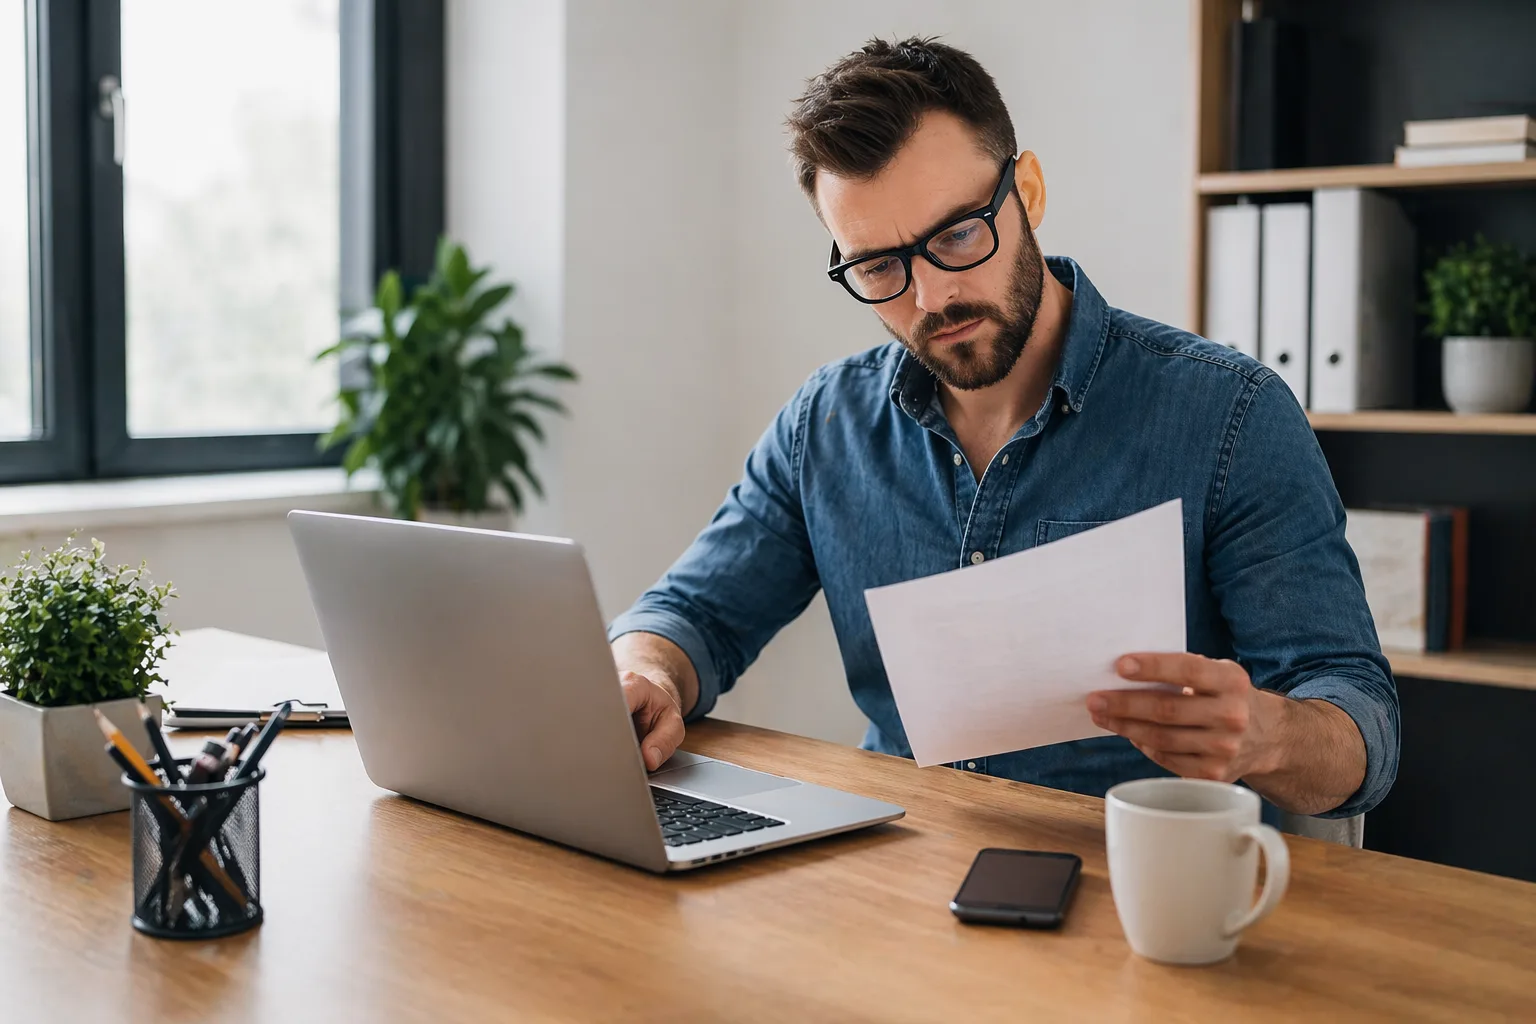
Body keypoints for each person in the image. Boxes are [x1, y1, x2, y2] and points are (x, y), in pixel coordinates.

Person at [609, 36, 1398, 820]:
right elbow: (693, 615)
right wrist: (645, 673)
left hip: (1138, 887)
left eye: (955, 235)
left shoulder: (1230, 416)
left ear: (1029, 190)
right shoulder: (826, 425)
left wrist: (1267, 736)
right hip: (900, 882)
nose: (929, 298)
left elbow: (1359, 723)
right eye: (879, 266)